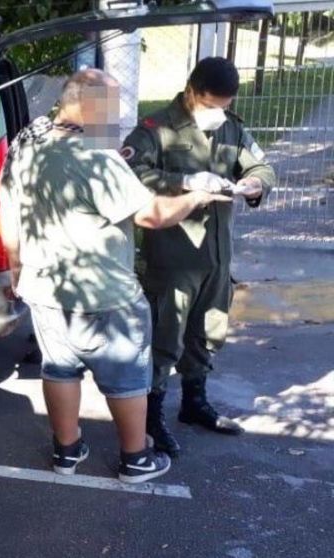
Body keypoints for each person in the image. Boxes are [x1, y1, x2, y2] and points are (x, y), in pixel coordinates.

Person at [0, 69, 231, 483]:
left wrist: (16, 270)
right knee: (126, 377)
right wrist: (199, 194)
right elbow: (152, 215)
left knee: (60, 368)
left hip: (44, 286)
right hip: (104, 292)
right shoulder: (95, 156)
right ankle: (136, 458)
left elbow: (8, 216)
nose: (119, 113)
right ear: (89, 104)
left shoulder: (26, 146)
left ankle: (66, 452)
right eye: (113, 105)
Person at [121, 57, 276, 457]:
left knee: (207, 331)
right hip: (172, 257)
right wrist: (184, 181)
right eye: (212, 103)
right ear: (192, 91)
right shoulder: (156, 128)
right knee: (164, 338)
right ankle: (152, 416)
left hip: (217, 256)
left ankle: (194, 403)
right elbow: (131, 172)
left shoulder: (231, 125)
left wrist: (255, 182)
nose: (218, 112)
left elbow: (260, 163)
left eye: (224, 104)